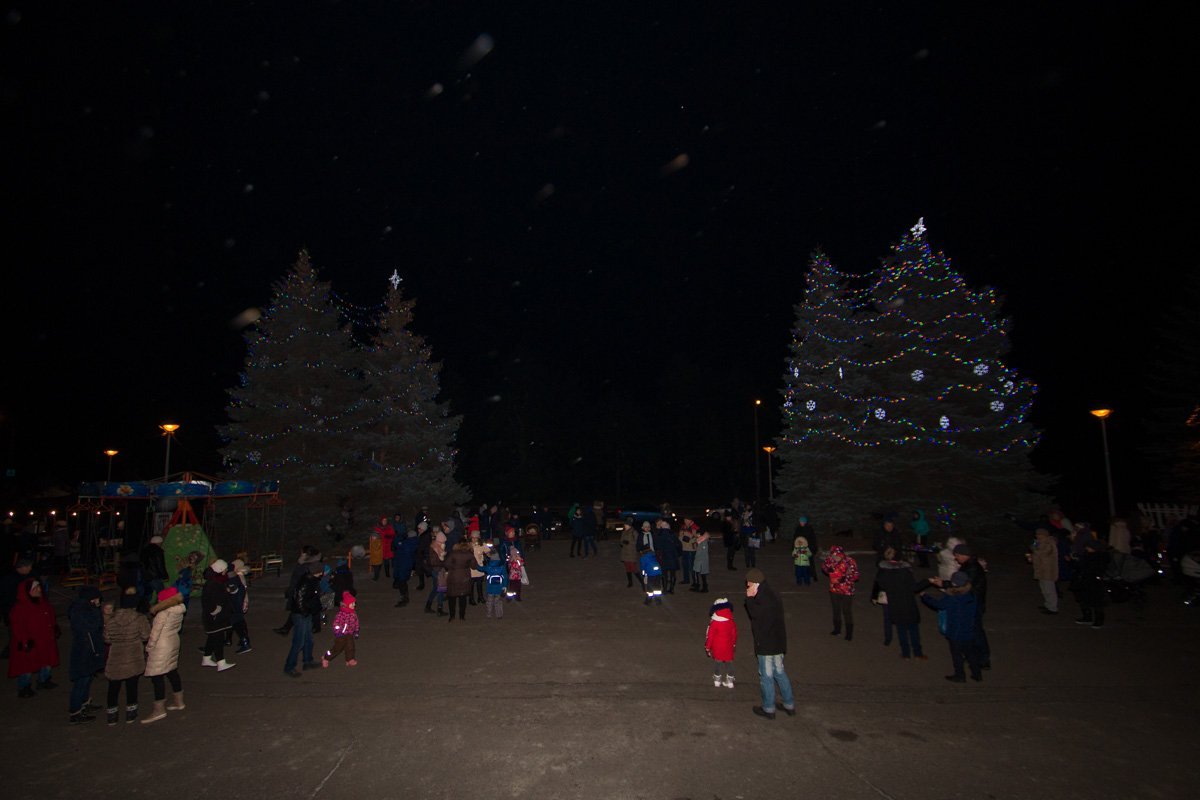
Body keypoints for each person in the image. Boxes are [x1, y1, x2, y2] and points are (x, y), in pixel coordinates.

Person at [743, 568, 796, 720]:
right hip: (778, 642)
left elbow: (756, 615)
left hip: (767, 644)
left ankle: (768, 708)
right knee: (780, 673)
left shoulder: (762, 599)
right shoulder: (772, 593)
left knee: (766, 676)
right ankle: (789, 704)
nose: (747, 585)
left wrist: (749, 599)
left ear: (755, 583)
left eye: (749, 583)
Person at [921, 571, 981, 683]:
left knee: (957, 655)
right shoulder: (971, 594)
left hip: (955, 631)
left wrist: (925, 596)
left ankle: (960, 675)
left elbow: (939, 605)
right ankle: (976, 673)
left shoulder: (952, 597)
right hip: (969, 629)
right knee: (970, 653)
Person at [103, 587, 150, 724]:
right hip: (132, 655)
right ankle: (131, 712)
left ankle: (112, 714)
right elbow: (146, 635)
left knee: (113, 686)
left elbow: (107, 639)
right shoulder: (139, 618)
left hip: (116, 656)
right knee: (132, 684)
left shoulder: (111, 619)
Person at [141, 585, 186, 724]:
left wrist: (149, 647)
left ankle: (159, 709)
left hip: (162, 645)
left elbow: (154, 634)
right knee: (172, 671)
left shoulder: (163, 614)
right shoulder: (179, 610)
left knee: (157, 676)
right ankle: (179, 701)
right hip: (173, 640)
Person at [8, 577, 59, 699]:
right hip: (31, 641)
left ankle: (44, 679)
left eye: (39, 587)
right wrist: (24, 640)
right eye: (35, 588)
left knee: (46, 660)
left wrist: (54, 627)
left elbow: (50, 616)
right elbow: (17, 626)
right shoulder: (20, 608)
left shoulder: (43, 603)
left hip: (45, 638)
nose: (39, 590)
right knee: (26, 665)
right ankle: (24, 687)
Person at [874, 547, 925, 660]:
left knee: (901, 629)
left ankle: (905, 653)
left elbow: (880, 584)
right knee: (913, 629)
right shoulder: (906, 572)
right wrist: (927, 581)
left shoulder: (884, 572)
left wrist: (875, 596)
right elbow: (914, 587)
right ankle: (918, 653)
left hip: (895, 603)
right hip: (908, 603)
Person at [67, 585, 104, 724]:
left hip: (88, 650)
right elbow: (91, 628)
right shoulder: (82, 612)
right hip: (84, 652)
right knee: (81, 682)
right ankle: (75, 712)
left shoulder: (85, 610)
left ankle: (84, 704)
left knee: (87, 680)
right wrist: (96, 611)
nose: (99, 601)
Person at [284, 562, 323, 677]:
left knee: (308, 639)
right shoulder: (306, 582)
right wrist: (305, 611)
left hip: (306, 612)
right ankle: (289, 666)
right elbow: (299, 599)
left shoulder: (311, 580)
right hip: (301, 614)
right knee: (299, 642)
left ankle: (308, 661)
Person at [200, 559, 236, 671]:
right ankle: (221, 662)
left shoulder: (216, 581)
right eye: (225, 569)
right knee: (218, 638)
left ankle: (206, 658)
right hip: (215, 617)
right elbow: (207, 600)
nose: (226, 571)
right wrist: (214, 610)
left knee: (212, 637)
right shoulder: (213, 584)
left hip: (217, 615)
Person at [822, 545, 860, 640]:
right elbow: (824, 568)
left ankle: (849, 633)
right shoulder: (830, 560)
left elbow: (856, 576)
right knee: (836, 610)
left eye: (837, 555)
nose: (835, 557)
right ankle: (837, 629)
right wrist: (827, 568)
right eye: (833, 555)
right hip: (834, 590)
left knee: (846, 611)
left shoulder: (850, 561)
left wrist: (847, 576)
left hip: (847, 590)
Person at [1073, 537, 1110, 628]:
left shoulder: (1099, 557)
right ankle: (1087, 617)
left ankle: (1098, 620)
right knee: (1084, 600)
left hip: (1094, 582)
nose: (1086, 548)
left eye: (1088, 547)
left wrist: (1077, 563)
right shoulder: (1088, 555)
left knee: (1097, 602)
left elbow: (1090, 568)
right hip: (1085, 581)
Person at [444, 538, 480, 622]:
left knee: (452, 597)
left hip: (453, 576)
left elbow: (446, 564)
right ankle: (462, 616)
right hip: (465, 577)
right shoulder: (469, 554)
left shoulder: (453, 553)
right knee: (463, 597)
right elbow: (474, 566)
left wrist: (453, 567)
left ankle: (452, 616)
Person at [704, 596, 737, 689]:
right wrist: (733, 643)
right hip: (728, 645)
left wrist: (707, 647)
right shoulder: (731, 621)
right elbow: (734, 634)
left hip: (717, 646)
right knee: (729, 663)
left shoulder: (714, 622)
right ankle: (730, 681)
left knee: (717, 663)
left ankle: (717, 680)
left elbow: (710, 636)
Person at [322, 591, 360, 667]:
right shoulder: (341, 614)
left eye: (354, 603)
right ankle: (326, 657)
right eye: (352, 603)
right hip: (341, 634)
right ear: (347, 604)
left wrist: (356, 630)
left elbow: (356, 622)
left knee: (350, 646)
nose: (354, 605)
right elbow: (336, 624)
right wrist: (338, 631)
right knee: (337, 648)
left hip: (349, 633)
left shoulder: (353, 613)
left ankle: (349, 659)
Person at [1030, 528, 1059, 614]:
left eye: (1039, 534)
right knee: (1044, 589)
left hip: (1048, 570)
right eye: (1036, 534)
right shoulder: (1038, 542)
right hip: (1041, 569)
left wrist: (1034, 550)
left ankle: (1053, 608)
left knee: (1049, 589)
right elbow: (1033, 548)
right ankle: (1048, 604)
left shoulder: (1049, 543)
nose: (1037, 536)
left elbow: (1042, 553)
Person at [227, 559, 252, 654]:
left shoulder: (237, 577)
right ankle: (238, 639)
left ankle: (244, 640)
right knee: (237, 621)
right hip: (239, 603)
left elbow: (240, 590)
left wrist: (245, 601)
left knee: (237, 621)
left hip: (237, 604)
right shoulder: (238, 575)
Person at [393, 526, 419, 607]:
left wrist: (398, 537)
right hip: (406, 565)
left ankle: (404, 598)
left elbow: (396, 544)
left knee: (402, 583)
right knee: (403, 582)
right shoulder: (413, 542)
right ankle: (404, 597)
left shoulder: (407, 544)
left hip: (403, 566)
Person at [653, 518, 681, 594]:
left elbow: (656, 546)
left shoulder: (659, 535)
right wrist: (678, 554)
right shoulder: (673, 535)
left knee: (664, 574)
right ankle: (671, 589)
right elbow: (679, 545)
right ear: (668, 527)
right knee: (673, 574)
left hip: (663, 557)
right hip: (673, 556)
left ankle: (664, 589)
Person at [424, 531, 448, 616]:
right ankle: (439, 609)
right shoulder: (435, 548)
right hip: (437, 571)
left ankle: (428, 606)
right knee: (440, 589)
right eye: (443, 541)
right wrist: (443, 560)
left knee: (435, 588)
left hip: (436, 570)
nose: (444, 543)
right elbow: (435, 562)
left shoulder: (436, 546)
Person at [140, 535, 169, 604]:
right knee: (161, 593)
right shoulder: (158, 551)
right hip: (154, 576)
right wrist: (165, 576)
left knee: (148, 593)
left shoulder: (144, 550)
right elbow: (160, 565)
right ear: (159, 542)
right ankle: (158, 607)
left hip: (145, 576)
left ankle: (144, 607)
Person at [480, 547, 509, 618]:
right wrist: (505, 586)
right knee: (498, 601)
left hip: (490, 588)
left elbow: (480, 568)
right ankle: (499, 614)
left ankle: (489, 614)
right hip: (499, 587)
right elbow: (505, 577)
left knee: (489, 601)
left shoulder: (488, 567)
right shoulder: (502, 567)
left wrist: (475, 565)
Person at [619, 522, 641, 589]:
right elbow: (621, 541)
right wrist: (622, 542)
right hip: (625, 553)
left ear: (629, 525)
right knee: (627, 568)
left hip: (632, 553)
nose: (624, 526)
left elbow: (638, 542)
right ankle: (630, 582)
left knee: (633, 568)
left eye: (626, 525)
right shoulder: (624, 532)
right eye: (624, 525)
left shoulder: (634, 532)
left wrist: (629, 542)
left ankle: (642, 581)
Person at [679, 517, 699, 585]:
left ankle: (695, 582)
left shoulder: (694, 527)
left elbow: (696, 538)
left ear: (691, 520)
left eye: (687, 519)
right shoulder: (683, 527)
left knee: (692, 566)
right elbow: (680, 536)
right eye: (684, 519)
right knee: (685, 565)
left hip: (691, 549)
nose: (685, 521)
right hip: (684, 548)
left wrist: (689, 536)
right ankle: (686, 580)